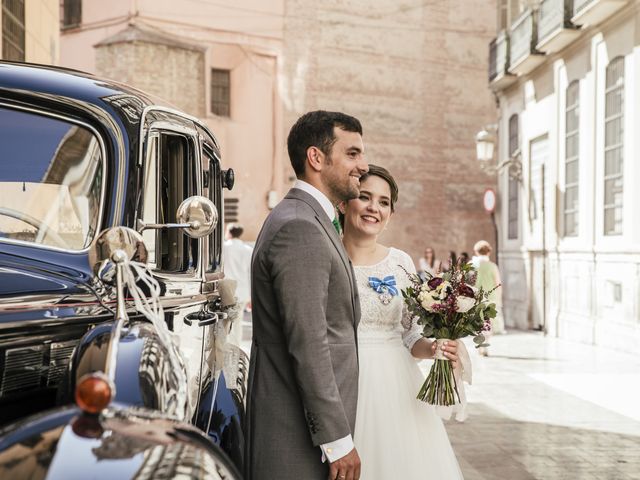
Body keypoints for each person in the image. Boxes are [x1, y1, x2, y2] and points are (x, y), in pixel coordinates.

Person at [245, 111, 368, 480]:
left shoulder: (308, 218)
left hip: (302, 433)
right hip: (295, 437)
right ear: (316, 158)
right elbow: (309, 341)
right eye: (352, 153)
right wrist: (337, 440)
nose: (363, 165)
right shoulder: (300, 225)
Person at [339, 164, 464, 480]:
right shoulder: (328, 256)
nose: (374, 208)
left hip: (398, 388)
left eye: (383, 202)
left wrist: (434, 347)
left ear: (391, 213)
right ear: (344, 203)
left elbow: (411, 335)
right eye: (365, 197)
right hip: (344, 383)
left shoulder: (400, 262)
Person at [473, 240, 506, 355]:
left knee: (478, 322)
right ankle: (485, 346)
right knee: (488, 323)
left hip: (476, 298)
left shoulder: (474, 265)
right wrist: (500, 299)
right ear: (488, 252)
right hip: (491, 298)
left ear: (477, 252)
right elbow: (498, 283)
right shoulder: (492, 266)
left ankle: (481, 345)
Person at [222, 223, 253, 346]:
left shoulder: (224, 248)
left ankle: (225, 347)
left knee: (225, 321)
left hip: (227, 289)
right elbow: (250, 273)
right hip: (242, 291)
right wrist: (251, 296)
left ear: (229, 232)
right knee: (237, 322)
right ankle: (236, 348)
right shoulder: (248, 250)